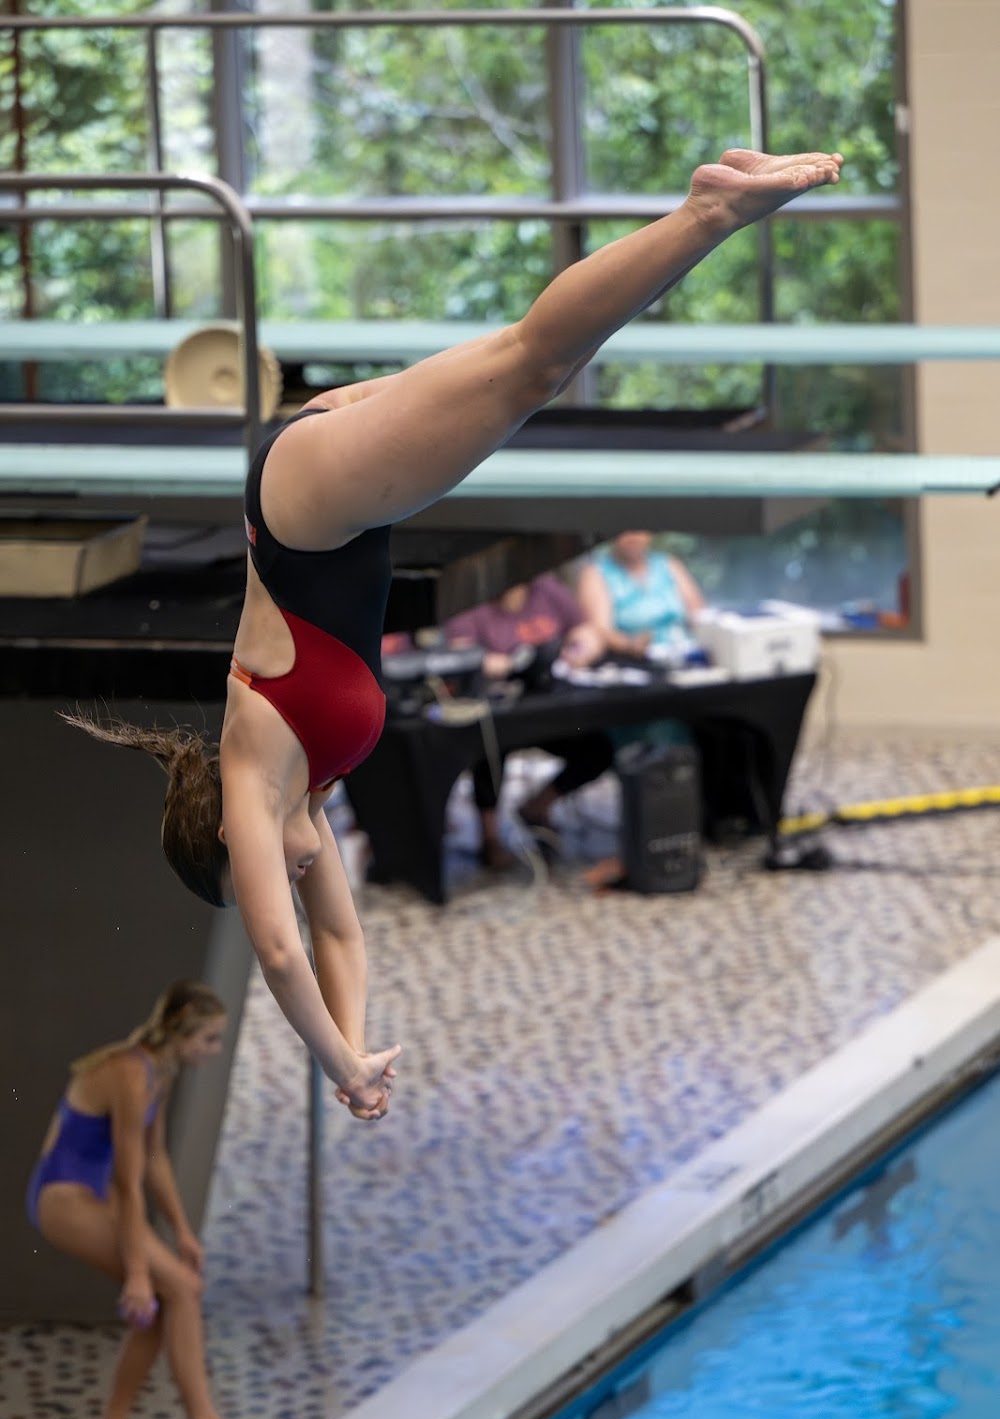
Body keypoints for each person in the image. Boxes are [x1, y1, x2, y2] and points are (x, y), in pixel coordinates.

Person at [63, 149, 843, 1102]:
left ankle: (710, 210)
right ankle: (710, 211)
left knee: (532, 364)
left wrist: (329, 1059)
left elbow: (279, 950)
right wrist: (356, 1061)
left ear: (228, 835)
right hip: (328, 490)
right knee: (535, 362)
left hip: (314, 510)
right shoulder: (309, 793)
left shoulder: (253, 785)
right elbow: (337, 937)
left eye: (259, 874)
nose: (291, 882)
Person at [26, 980, 263, 1419]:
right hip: (63, 1197)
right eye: (209, 1039)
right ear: (181, 1034)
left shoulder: (160, 1070)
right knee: (180, 1288)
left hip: (92, 1194)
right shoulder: (131, 1074)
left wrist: (183, 1232)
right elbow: (129, 1182)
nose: (215, 1050)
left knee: (163, 1301)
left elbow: (156, 1160)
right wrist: (136, 1272)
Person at [444, 574, 611, 868]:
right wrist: (498, 663)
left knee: (597, 747)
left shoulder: (546, 588)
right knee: (490, 748)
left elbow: (585, 631)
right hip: (498, 709)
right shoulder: (472, 598)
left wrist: (580, 651)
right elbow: (459, 651)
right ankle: (490, 839)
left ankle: (538, 806)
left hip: (548, 704)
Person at [577, 530, 705, 659]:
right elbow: (601, 629)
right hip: (632, 659)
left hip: (685, 652)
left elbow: (699, 613)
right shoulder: (596, 573)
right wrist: (631, 645)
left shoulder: (668, 563)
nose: (633, 537)